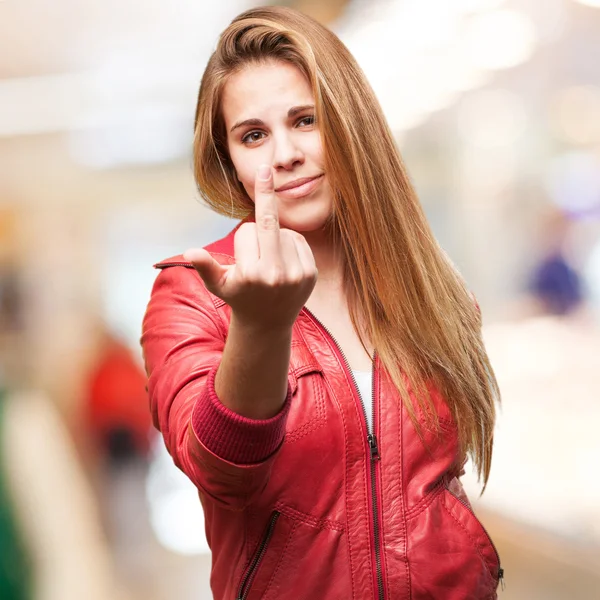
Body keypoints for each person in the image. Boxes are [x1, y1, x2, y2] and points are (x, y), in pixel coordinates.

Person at [141, 6, 503, 599]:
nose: (284, 154)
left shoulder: (429, 283)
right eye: (253, 135)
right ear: (230, 161)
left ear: (349, 123)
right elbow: (218, 471)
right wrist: (260, 326)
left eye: (305, 121)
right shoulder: (193, 293)